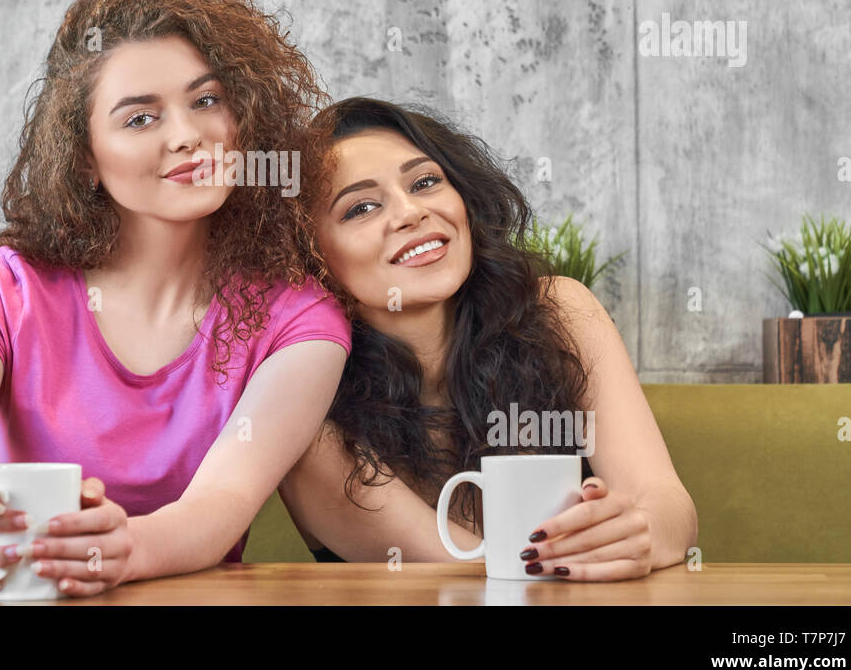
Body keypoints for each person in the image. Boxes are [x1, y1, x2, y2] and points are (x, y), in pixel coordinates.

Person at [0, 0, 352, 598]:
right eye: (140, 118)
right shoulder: (7, 294)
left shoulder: (300, 319)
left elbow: (218, 509)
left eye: (206, 101)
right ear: (85, 158)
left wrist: (122, 550)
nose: (188, 136)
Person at [279, 97, 698, 580]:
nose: (412, 212)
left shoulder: (561, 311)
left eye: (425, 182)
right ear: (307, 259)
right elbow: (475, 574)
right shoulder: (302, 411)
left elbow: (669, 506)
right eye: (362, 207)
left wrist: (639, 533)